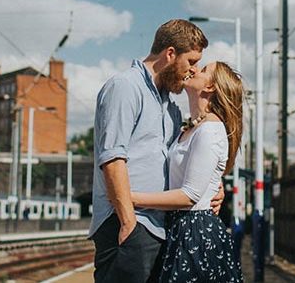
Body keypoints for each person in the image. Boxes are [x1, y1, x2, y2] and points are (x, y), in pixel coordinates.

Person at [91, 19, 220, 283]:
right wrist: (128, 221)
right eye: (191, 61)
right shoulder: (125, 87)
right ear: (170, 54)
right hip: (128, 222)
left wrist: (215, 188)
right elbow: (112, 159)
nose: (192, 71)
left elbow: (182, 163)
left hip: (159, 227)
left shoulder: (171, 109)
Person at [131, 61, 244, 283]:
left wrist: (131, 198)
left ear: (211, 87)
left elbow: (190, 195)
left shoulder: (210, 130)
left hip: (195, 233)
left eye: (203, 70)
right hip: (181, 227)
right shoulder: (193, 127)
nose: (193, 69)